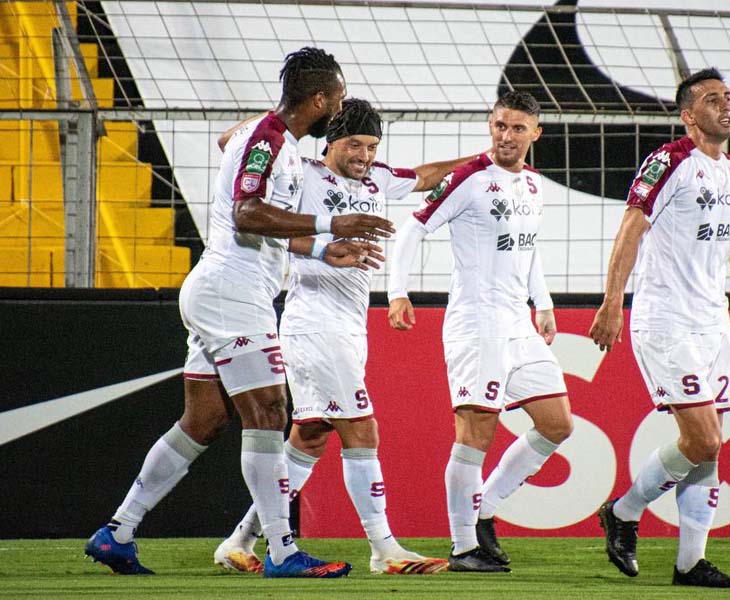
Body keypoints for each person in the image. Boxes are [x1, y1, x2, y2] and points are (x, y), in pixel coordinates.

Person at [84, 47, 394, 578]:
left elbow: (230, 143)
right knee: (269, 413)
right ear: (319, 99)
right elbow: (247, 213)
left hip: (221, 289)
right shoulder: (270, 140)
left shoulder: (270, 137)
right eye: (337, 100)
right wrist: (327, 228)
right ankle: (280, 550)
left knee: (203, 420)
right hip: (234, 293)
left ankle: (117, 531)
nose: (339, 109)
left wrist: (320, 251)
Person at [211, 98, 478, 576]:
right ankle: (385, 549)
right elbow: (253, 194)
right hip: (314, 323)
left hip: (349, 327)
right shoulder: (304, 174)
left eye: (372, 145)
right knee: (362, 429)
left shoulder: (377, 180)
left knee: (310, 438)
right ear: (331, 140)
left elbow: (423, 176)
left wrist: (481, 161)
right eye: (354, 144)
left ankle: (240, 540)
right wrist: (322, 247)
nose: (364, 155)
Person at [588, 67, 730, 588]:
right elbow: (631, 226)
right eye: (713, 99)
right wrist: (612, 303)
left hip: (713, 323)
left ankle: (690, 563)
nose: (726, 106)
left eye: (729, 97)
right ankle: (625, 512)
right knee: (704, 439)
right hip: (666, 318)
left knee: (710, 445)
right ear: (688, 115)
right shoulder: (669, 162)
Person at [387, 90, 573, 573]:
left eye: (516, 128)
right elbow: (413, 229)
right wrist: (397, 292)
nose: (505, 136)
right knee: (476, 433)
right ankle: (465, 545)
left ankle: (483, 508)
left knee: (557, 423)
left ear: (536, 133)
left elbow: (527, 249)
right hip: (476, 324)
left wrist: (544, 303)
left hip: (517, 323)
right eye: (498, 126)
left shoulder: (532, 184)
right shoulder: (469, 179)